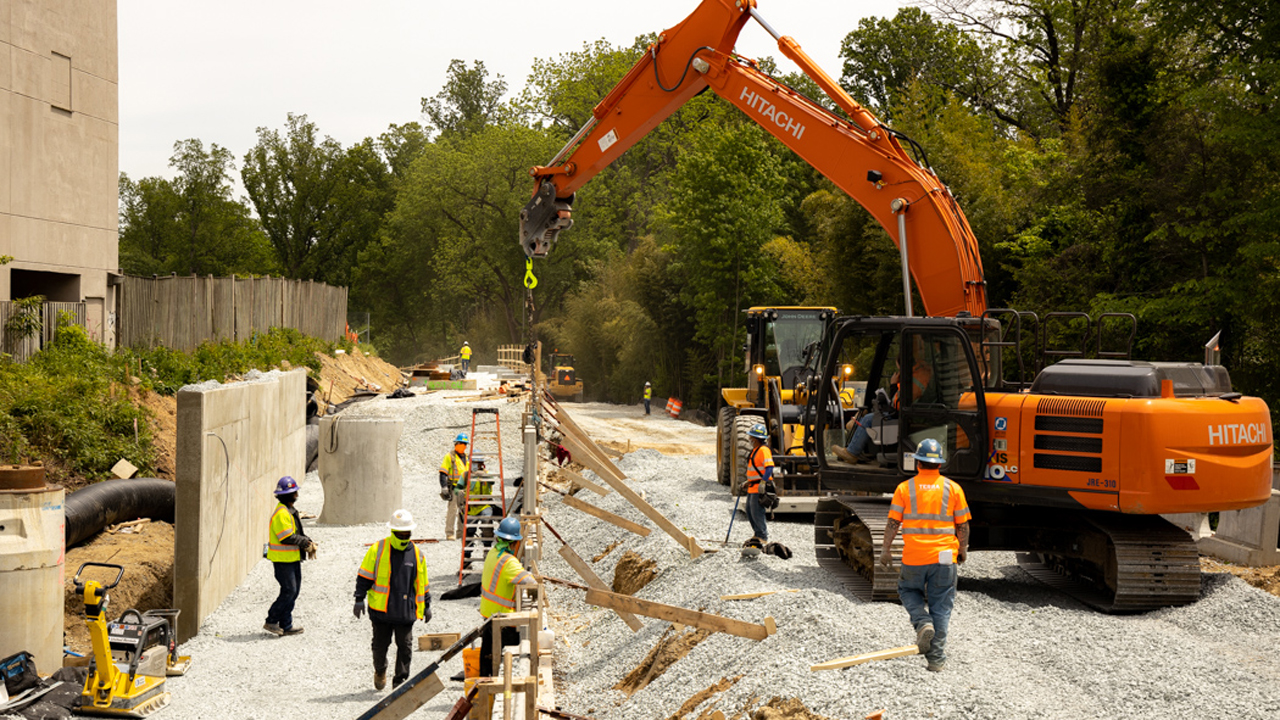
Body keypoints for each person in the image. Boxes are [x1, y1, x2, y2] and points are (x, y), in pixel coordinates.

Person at [878, 438, 971, 672]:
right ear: (940, 464)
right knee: (941, 605)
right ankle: (936, 660)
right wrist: (962, 550)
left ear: (917, 462)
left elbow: (893, 522)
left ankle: (922, 622)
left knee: (907, 590)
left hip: (914, 556)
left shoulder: (904, 488)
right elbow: (963, 526)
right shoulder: (953, 488)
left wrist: (886, 550)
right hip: (944, 557)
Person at [354, 509, 431, 690]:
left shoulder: (418, 555)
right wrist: (359, 598)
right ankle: (380, 670)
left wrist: (426, 604)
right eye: (400, 534)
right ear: (393, 532)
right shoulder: (378, 549)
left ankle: (400, 683)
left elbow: (422, 582)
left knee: (405, 647)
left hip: (405, 611)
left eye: (407, 534)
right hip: (381, 611)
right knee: (380, 647)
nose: (404, 537)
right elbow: (364, 576)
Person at [475, 517, 536, 678]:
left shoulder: (493, 553)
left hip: (488, 614)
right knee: (504, 659)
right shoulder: (508, 562)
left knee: (487, 654)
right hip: (503, 618)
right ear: (514, 543)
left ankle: (484, 684)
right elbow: (530, 582)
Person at [264, 476, 315, 637]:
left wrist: (307, 541)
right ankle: (272, 620)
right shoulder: (281, 513)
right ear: (290, 495)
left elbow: (296, 533)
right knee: (289, 591)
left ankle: (286, 625)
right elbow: (286, 537)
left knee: (293, 591)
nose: (296, 495)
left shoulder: (289, 511)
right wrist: (305, 543)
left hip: (291, 558)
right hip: (282, 560)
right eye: (294, 492)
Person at [742, 423, 774, 549]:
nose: (750, 440)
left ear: (756, 439)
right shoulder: (756, 450)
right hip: (752, 487)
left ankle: (762, 537)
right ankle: (757, 534)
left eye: (752, 438)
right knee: (750, 512)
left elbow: (769, 468)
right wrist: (747, 481)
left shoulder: (764, 450)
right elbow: (755, 470)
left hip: (759, 488)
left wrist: (763, 482)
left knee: (757, 513)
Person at [439, 433, 470, 540]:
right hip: (455, 487)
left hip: (465, 488)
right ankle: (449, 533)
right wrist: (444, 487)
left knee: (463, 511)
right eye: (461, 443)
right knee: (452, 510)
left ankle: (461, 533)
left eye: (465, 444)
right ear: (456, 443)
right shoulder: (450, 457)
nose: (463, 446)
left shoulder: (467, 457)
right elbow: (443, 473)